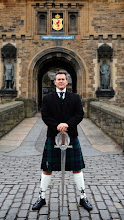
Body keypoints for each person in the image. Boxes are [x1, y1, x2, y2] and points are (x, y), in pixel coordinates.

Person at [32, 72, 93, 211]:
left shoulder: (75, 97)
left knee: (77, 168)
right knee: (47, 169)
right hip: (53, 136)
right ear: (55, 82)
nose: (60, 81)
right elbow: (45, 115)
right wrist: (57, 126)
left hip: (71, 135)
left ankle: (83, 198)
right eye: (58, 79)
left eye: (63, 79)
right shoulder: (47, 98)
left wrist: (67, 125)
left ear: (67, 81)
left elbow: (79, 114)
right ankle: (41, 198)